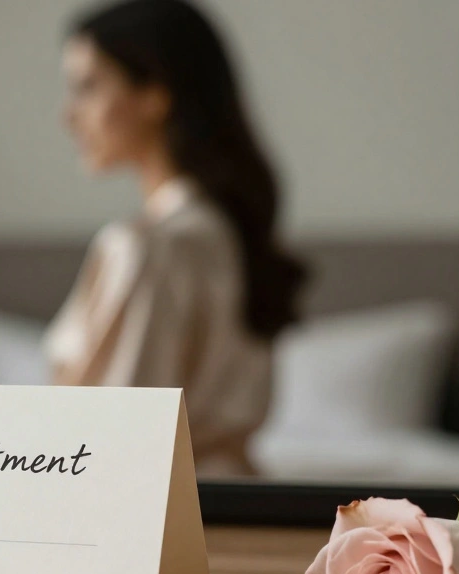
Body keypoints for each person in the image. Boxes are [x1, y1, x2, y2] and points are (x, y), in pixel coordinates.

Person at [45, 0, 304, 476]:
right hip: (241, 503)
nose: (68, 115)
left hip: (149, 518)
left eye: (88, 86)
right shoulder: (225, 231)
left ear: (154, 94)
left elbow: (112, 437)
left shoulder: (145, 245)